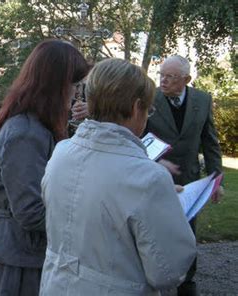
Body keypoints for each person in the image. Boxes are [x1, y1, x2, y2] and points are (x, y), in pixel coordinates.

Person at [39, 58, 197, 295]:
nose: (146, 117)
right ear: (136, 108)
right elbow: (168, 272)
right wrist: (169, 207)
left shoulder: (62, 152)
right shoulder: (149, 178)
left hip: (56, 286)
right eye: (148, 110)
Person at [0, 39, 89, 295]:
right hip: (14, 256)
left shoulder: (34, 126)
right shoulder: (25, 133)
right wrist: (85, 225)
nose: (76, 94)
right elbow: (30, 211)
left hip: (18, 250)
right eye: (74, 85)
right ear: (56, 85)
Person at [146, 55, 223, 295]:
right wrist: (156, 162)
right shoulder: (150, 100)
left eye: (170, 77)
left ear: (186, 79)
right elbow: (140, 138)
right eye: (161, 75)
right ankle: (151, 279)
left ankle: (187, 282)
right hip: (156, 178)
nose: (163, 81)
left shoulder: (202, 99)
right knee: (153, 231)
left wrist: (216, 180)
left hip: (190, 180)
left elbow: (210, 142)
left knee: (187, 233)